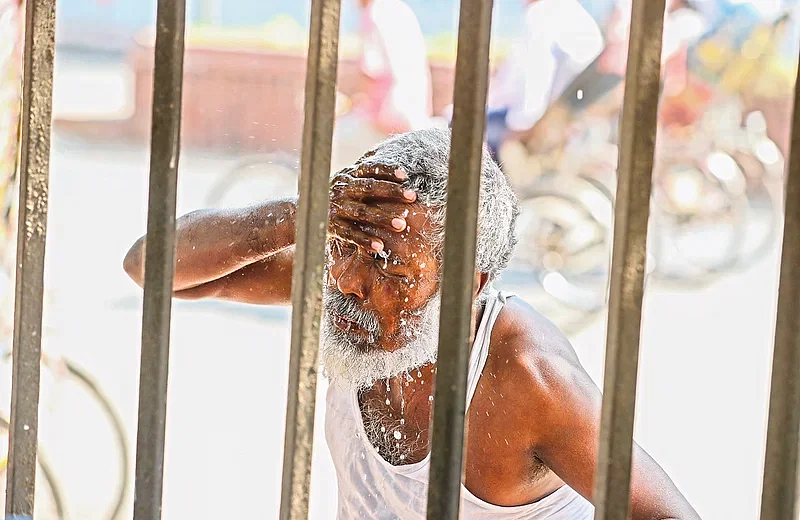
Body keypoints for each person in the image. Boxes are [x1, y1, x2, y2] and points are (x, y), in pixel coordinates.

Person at [124, 128, 700, 519]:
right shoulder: (342, 284)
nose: (351, 282)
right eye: (347, 246)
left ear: (467, 288)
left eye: (392, 272)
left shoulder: (526, 378)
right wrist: (291, 220)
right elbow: (149, 266)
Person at [484, 0, 605, 161]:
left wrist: (517, 131)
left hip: (536, 132)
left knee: (454, 127)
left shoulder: (541, 14)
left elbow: (536, 78)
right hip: (571, 129)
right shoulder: (577, 16)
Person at [331, 0, 434, 172]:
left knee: (336, 147)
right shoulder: (400, 10)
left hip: (386, 118)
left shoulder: (374, 14)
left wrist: (348, 102)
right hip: (413, 116)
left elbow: (372, 72)